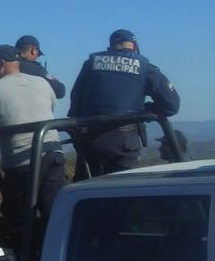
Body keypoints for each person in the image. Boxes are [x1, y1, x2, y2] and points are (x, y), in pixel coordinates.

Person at [0, 45, 67, 243]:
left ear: (1, 64)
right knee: (54, 214)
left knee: (20, 219)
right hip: (54, 154)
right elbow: (48, 107)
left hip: (22, 163)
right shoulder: (42, 83)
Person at [69, 29, 180, 175]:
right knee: (120, 189)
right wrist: (145, 110)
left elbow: (75, 102)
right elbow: (171, 106)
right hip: (124, 142)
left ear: (110, 47)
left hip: (90, 139)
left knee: (90, 187)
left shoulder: (91, 63)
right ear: (134, 46)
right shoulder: (144, 67)